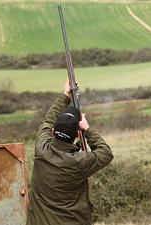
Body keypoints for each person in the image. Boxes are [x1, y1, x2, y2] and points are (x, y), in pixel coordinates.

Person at [27, 79, 114, 225]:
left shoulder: (41, 148)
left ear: (53, 132)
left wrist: (65, 96)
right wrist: (87, 129)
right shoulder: (80, 162)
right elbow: (105, 153)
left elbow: (48, 121)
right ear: (75, 136)